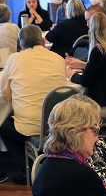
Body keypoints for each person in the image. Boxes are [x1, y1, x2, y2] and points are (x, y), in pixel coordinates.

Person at [0, 25, 69, 184]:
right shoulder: (58, 59)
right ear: (43, 41)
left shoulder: (15, 59)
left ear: (20, 44)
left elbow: (5, 94)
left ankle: (27, 169)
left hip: (29, 127)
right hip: (58, 122)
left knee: (6, 129)